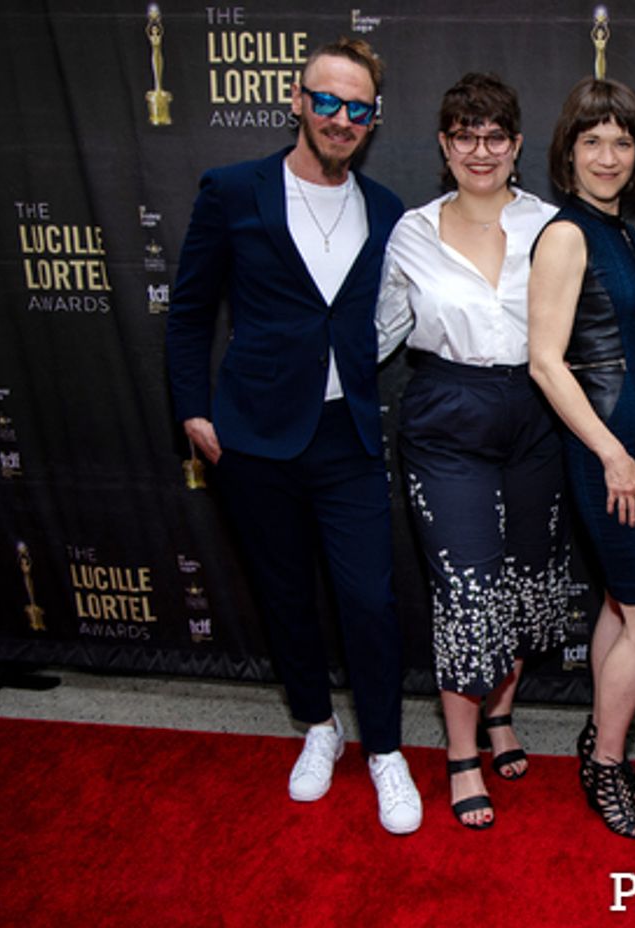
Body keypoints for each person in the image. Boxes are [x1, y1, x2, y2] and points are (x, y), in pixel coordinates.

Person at [165, 37, 421, 834]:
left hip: (347, 433)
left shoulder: (385, 208)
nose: (342, 119)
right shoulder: (234, 190)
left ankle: (384, 747)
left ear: (372, 119)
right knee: (283, 595)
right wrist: (193, 410)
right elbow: (188, 310)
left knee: (369, 600)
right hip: (253, 434)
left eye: (359, 108)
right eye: (329, 101)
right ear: (298, 101)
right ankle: (318, 724)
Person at [376, 73, 569, 830]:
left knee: (524, 581)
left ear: (516, 145)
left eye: (495, 136)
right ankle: (461, 751)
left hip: (535, 411)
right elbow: (380, 332)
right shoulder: (413, 232)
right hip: (445, 415)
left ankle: (502, 713)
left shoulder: (553, 227)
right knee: (467, 591)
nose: (480, 150)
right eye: (464, 135)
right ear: (444, 146)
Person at [528, 78, 635, 841]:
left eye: (622, 141)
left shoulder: (631, 236)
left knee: (622, 609)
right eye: (593, 141)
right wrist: (614, 453)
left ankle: (598, 735)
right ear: (568, 151)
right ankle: (605, 763)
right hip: (607, 455)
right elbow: (546, 363)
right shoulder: (565, 235)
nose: (608, 155)